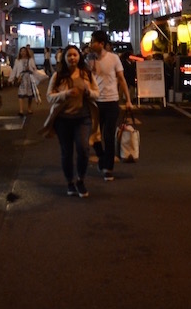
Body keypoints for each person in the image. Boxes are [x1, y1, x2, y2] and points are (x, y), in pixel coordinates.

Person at [44, 45, 99, 198]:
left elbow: (97, 93)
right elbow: (49, 96)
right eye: (69, 55)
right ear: (65, 58)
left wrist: (88, 92)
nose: (72, 58)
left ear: (79, 56)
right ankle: (70, 182)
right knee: (66, 152)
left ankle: (80, 179)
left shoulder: (86, 73)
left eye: (75, 55)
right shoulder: (58, 76)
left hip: (83, 118)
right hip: (63, 120)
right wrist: (65, 94)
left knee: (83, 148)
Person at [87, 30, 133, 181]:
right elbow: (86, 78)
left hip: (112, 101)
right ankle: (102, 157)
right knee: (94, 135)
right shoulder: (90, 58)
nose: (91, 44)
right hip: (95, 102)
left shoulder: (114, 59)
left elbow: (121, 79)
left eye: (93, 41)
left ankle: (108, 168)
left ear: (101, 43)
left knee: (108, 135)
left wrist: (128, 100)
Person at [11, 46, 41, 117]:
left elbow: (34, 68)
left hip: (29, 77)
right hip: (21, 78)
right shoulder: (17, 60)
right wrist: (12, 78)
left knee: (30, 94)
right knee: (21, 94)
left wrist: (30, 68)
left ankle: (29, 108)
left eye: (24, 51)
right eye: (21, 51)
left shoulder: (30, 60)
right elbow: (15, 69)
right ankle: (21, 110)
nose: (23, 53)